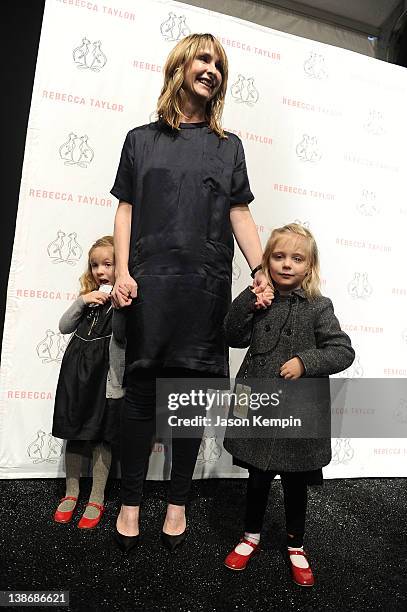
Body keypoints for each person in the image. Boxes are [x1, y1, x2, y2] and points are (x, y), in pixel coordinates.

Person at [110, 33, 271, 553]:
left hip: (204, 291)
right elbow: (126, 209)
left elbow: (238, 211)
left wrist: (261, 269)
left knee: (190, 401)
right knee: (139, 398)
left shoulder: (230, 147)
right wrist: (120, 272)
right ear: (180, 65)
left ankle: (177, 502)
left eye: (220, 65)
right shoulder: (139, 140)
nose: (212, 70)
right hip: (148, 287)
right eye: (204, 59)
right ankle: (131, 502)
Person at [222, 223, 355, 586]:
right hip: (259, 408)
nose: (286, 265)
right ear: (266, 261)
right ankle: (251, 537)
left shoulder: (319, 307)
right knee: (257, 479)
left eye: (296, 259)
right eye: (278, 257)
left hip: (298, 412)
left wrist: (305, 362)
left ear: (309, 267)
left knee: (296, 483)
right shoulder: (259, 300)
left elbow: (343, 351)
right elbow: (232, 336)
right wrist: (250, 301)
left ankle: (296, 545)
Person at [52, 236, 125, 529]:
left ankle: (96, 498)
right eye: (95, 265)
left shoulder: (125, 304)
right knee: (74, 432)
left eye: (108, 264)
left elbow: (122, 338)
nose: (100, 271)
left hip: (105, 379)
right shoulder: (89, 298)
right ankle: (71, 493)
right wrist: (83, 300)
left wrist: (120, 302)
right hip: (75, 377)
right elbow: (63, 326)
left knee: (101, 437)